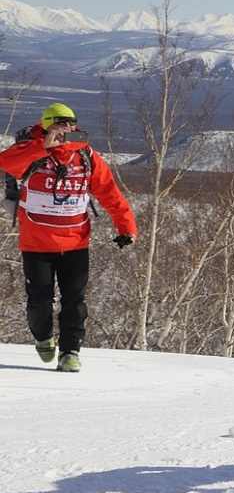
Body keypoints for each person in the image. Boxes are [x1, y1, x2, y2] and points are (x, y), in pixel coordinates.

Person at [0, 103, 137, 372]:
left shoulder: (85, 155)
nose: (67, 129)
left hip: (76, 241)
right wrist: (43, 147)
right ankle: (43, 338)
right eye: (60, 124)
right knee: (39, 300)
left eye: (71, 123)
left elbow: (109, 193)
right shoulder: (31, 151)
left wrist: (126, 228)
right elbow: (6, 163)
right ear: (46, 124)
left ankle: (70, 352)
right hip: (37, 241)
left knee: (75, 300)